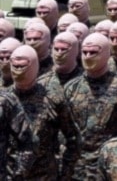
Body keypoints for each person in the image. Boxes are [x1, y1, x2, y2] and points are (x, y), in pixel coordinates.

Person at [64, 33, 117, 178]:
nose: (88, 56)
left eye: (93, 52)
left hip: (111, 165)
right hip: (77, 167)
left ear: (106, 53)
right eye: (85, 52)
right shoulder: (71, 88)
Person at [7, 44, 80, 178]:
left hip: (44, 175)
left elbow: (73, 139)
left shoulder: (52, 100)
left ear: (34, 66)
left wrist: (65, 174)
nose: (18, 70)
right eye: (15, 66)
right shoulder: (4, 100)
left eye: (22, 66)